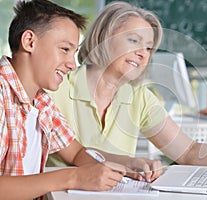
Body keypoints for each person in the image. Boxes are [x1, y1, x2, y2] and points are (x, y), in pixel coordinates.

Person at [48, 0, 207, 176]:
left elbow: (189, 152)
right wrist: (129, 162)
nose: (142, 54)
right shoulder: (57, 89)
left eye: (148, 48)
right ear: (104, 37)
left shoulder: (139, 97)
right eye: (134, 41)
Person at [0, 1, 163, 199]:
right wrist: (73, 177)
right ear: (29, 42)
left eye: (74, 53)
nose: (71, 64)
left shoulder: (42, 103)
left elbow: (76, 153)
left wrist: (125, 167)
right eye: (65, 49)